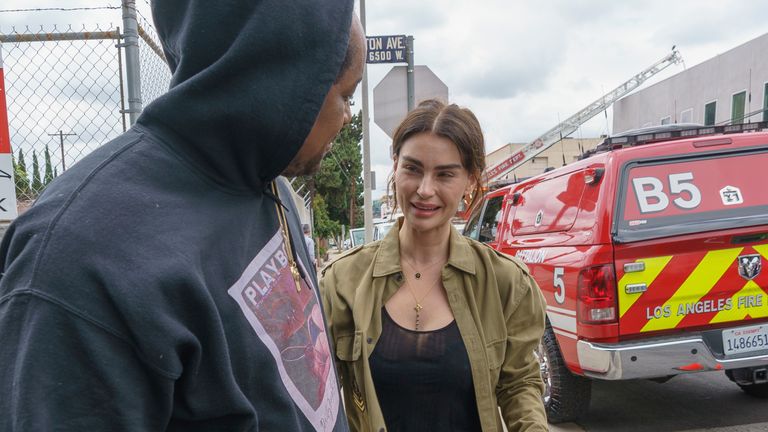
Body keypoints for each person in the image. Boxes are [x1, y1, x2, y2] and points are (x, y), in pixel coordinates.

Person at [0, 1, 364, 430]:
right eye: (345, 94)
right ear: (285, 75)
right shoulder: (77, 264)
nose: (347, 116)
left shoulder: (268, 185)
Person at [321, 99, 548, 432]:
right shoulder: (343, 282)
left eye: (444, 174)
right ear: (395, 166)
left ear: (471, 180)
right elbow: (314, 394)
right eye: (412, 168)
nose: (424, 190)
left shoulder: (505, 283)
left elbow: (519, 386)